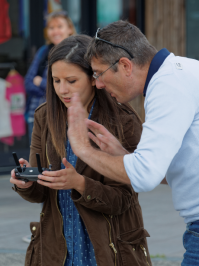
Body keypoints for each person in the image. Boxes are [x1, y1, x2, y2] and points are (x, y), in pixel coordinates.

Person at [10, 35, 152, 266]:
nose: (62, 89)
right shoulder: (44, 116)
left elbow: (124, 200)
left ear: (93, 78)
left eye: (72, 80)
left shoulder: (122, 120)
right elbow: (39, 195)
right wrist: (25, 183)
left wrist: (80, 183)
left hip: (109, 248)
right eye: (56, 81)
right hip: (57, 247)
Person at [66, 20, 199, 266]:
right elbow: (182, 172)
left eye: (99, 73)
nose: (98, 84)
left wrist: (81, 148)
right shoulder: (182, 72)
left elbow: (145, 176)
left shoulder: (168, 86)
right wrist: (123, 154)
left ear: (125, 65)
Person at [25, 10, 76, 144]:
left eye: (59, 26)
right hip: (36, 112)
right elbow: (28, 82)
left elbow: (72, 86)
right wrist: (48, 89)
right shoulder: (43, 51)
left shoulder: (75, 51)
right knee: (38, 155)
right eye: (51, 27)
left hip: (62, 114)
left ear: (69, 28)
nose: (55, 31)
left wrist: (41, 83)